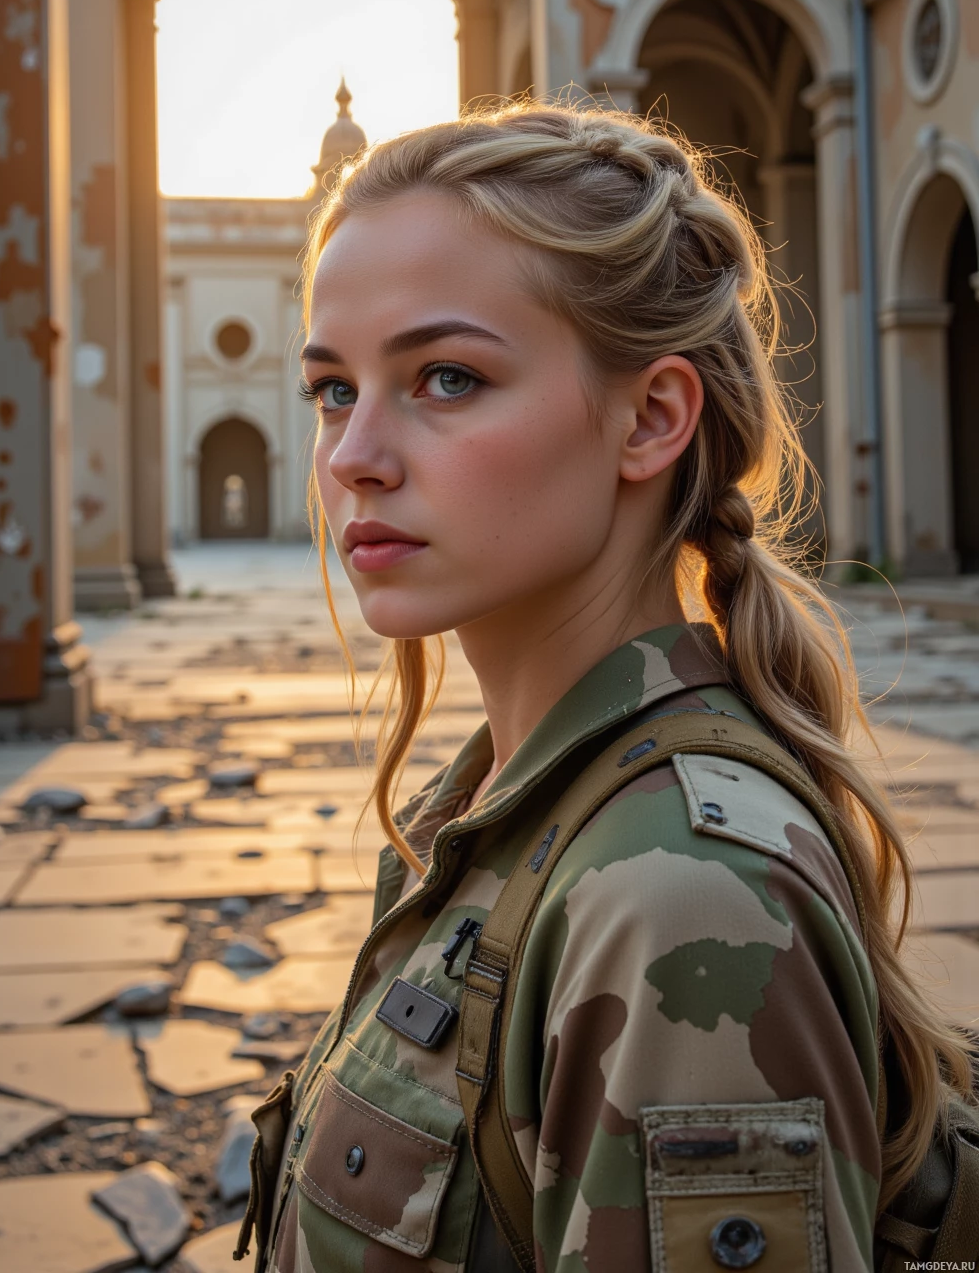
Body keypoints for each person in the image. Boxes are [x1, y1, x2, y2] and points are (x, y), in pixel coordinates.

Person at [241, 103, 973, 1272]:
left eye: (443, 377)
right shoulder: (518, 807)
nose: (351, 455)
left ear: (650, 417)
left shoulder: (678, 900)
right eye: (332, 389)